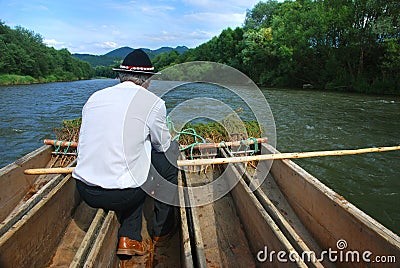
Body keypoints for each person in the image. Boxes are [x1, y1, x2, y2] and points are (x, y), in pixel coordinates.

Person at [72, 49, 179, 256]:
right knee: (169, 159)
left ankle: (130, 236)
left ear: (121, 76)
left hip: (86, 191)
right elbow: (163, 146)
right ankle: (161, 231)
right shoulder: (153, 102)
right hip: (125, 194)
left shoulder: (94, 97)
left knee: (134, 163)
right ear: (147, 79)